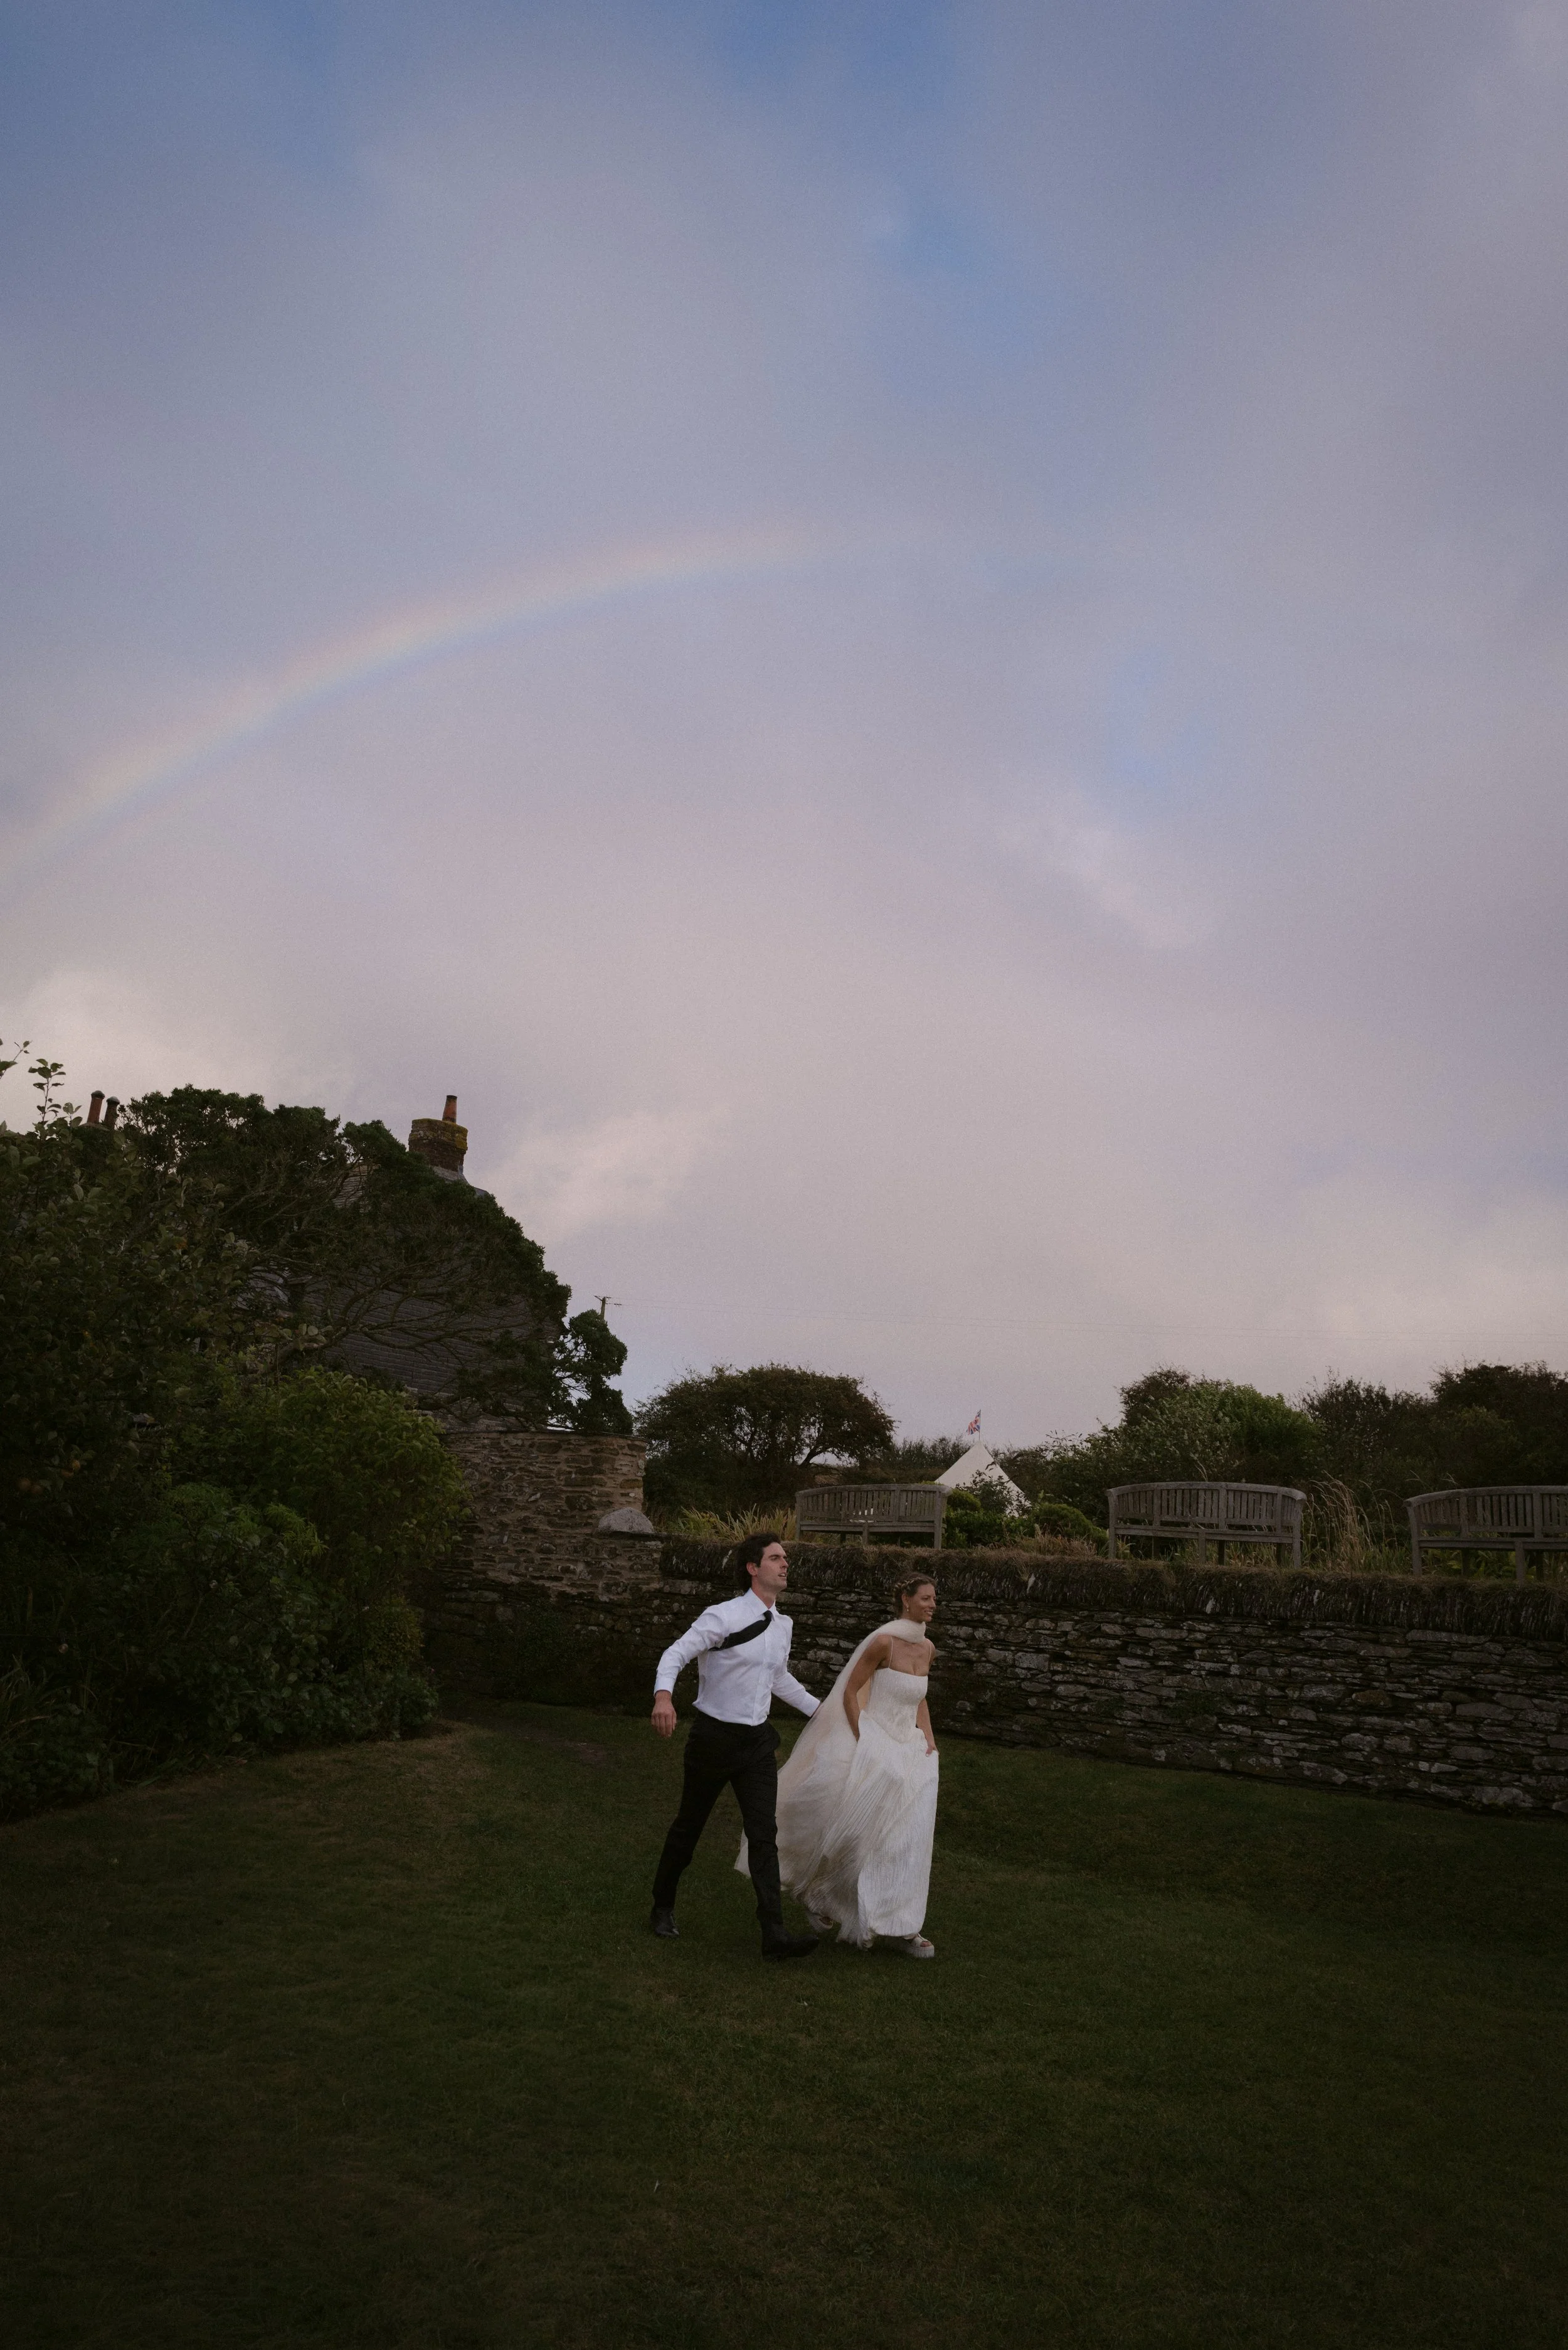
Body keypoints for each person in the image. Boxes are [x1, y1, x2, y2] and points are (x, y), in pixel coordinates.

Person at [742, 1571, 940, 1957]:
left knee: (910, 1839)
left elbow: (920, 1698)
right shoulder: (883, 1642)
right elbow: (850, 1691)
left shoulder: (928, 1648)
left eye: (935, 1599)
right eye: (926, 1598)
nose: (933, 1605)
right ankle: (823, 1895)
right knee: (863, 1836)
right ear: (905, 1599)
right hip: (876, 1742)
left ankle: (905, 1926)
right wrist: (863, 1739)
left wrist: (929, 1739)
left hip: (913, 1750)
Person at [649, 1531, 822, 1960]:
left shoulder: (783, 1625)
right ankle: (662, 1906)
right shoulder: (722, 1616)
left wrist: (825, 1713)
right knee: (689, 1828)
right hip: (713, 1739)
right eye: (776, 1558)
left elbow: (779, 1677)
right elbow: (675, 1654)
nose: (785, 1564)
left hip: (757, 1743)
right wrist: (664, 1697)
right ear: (752, 1568)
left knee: (765, 1835)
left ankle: (774, 1933)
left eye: (785, 1558)